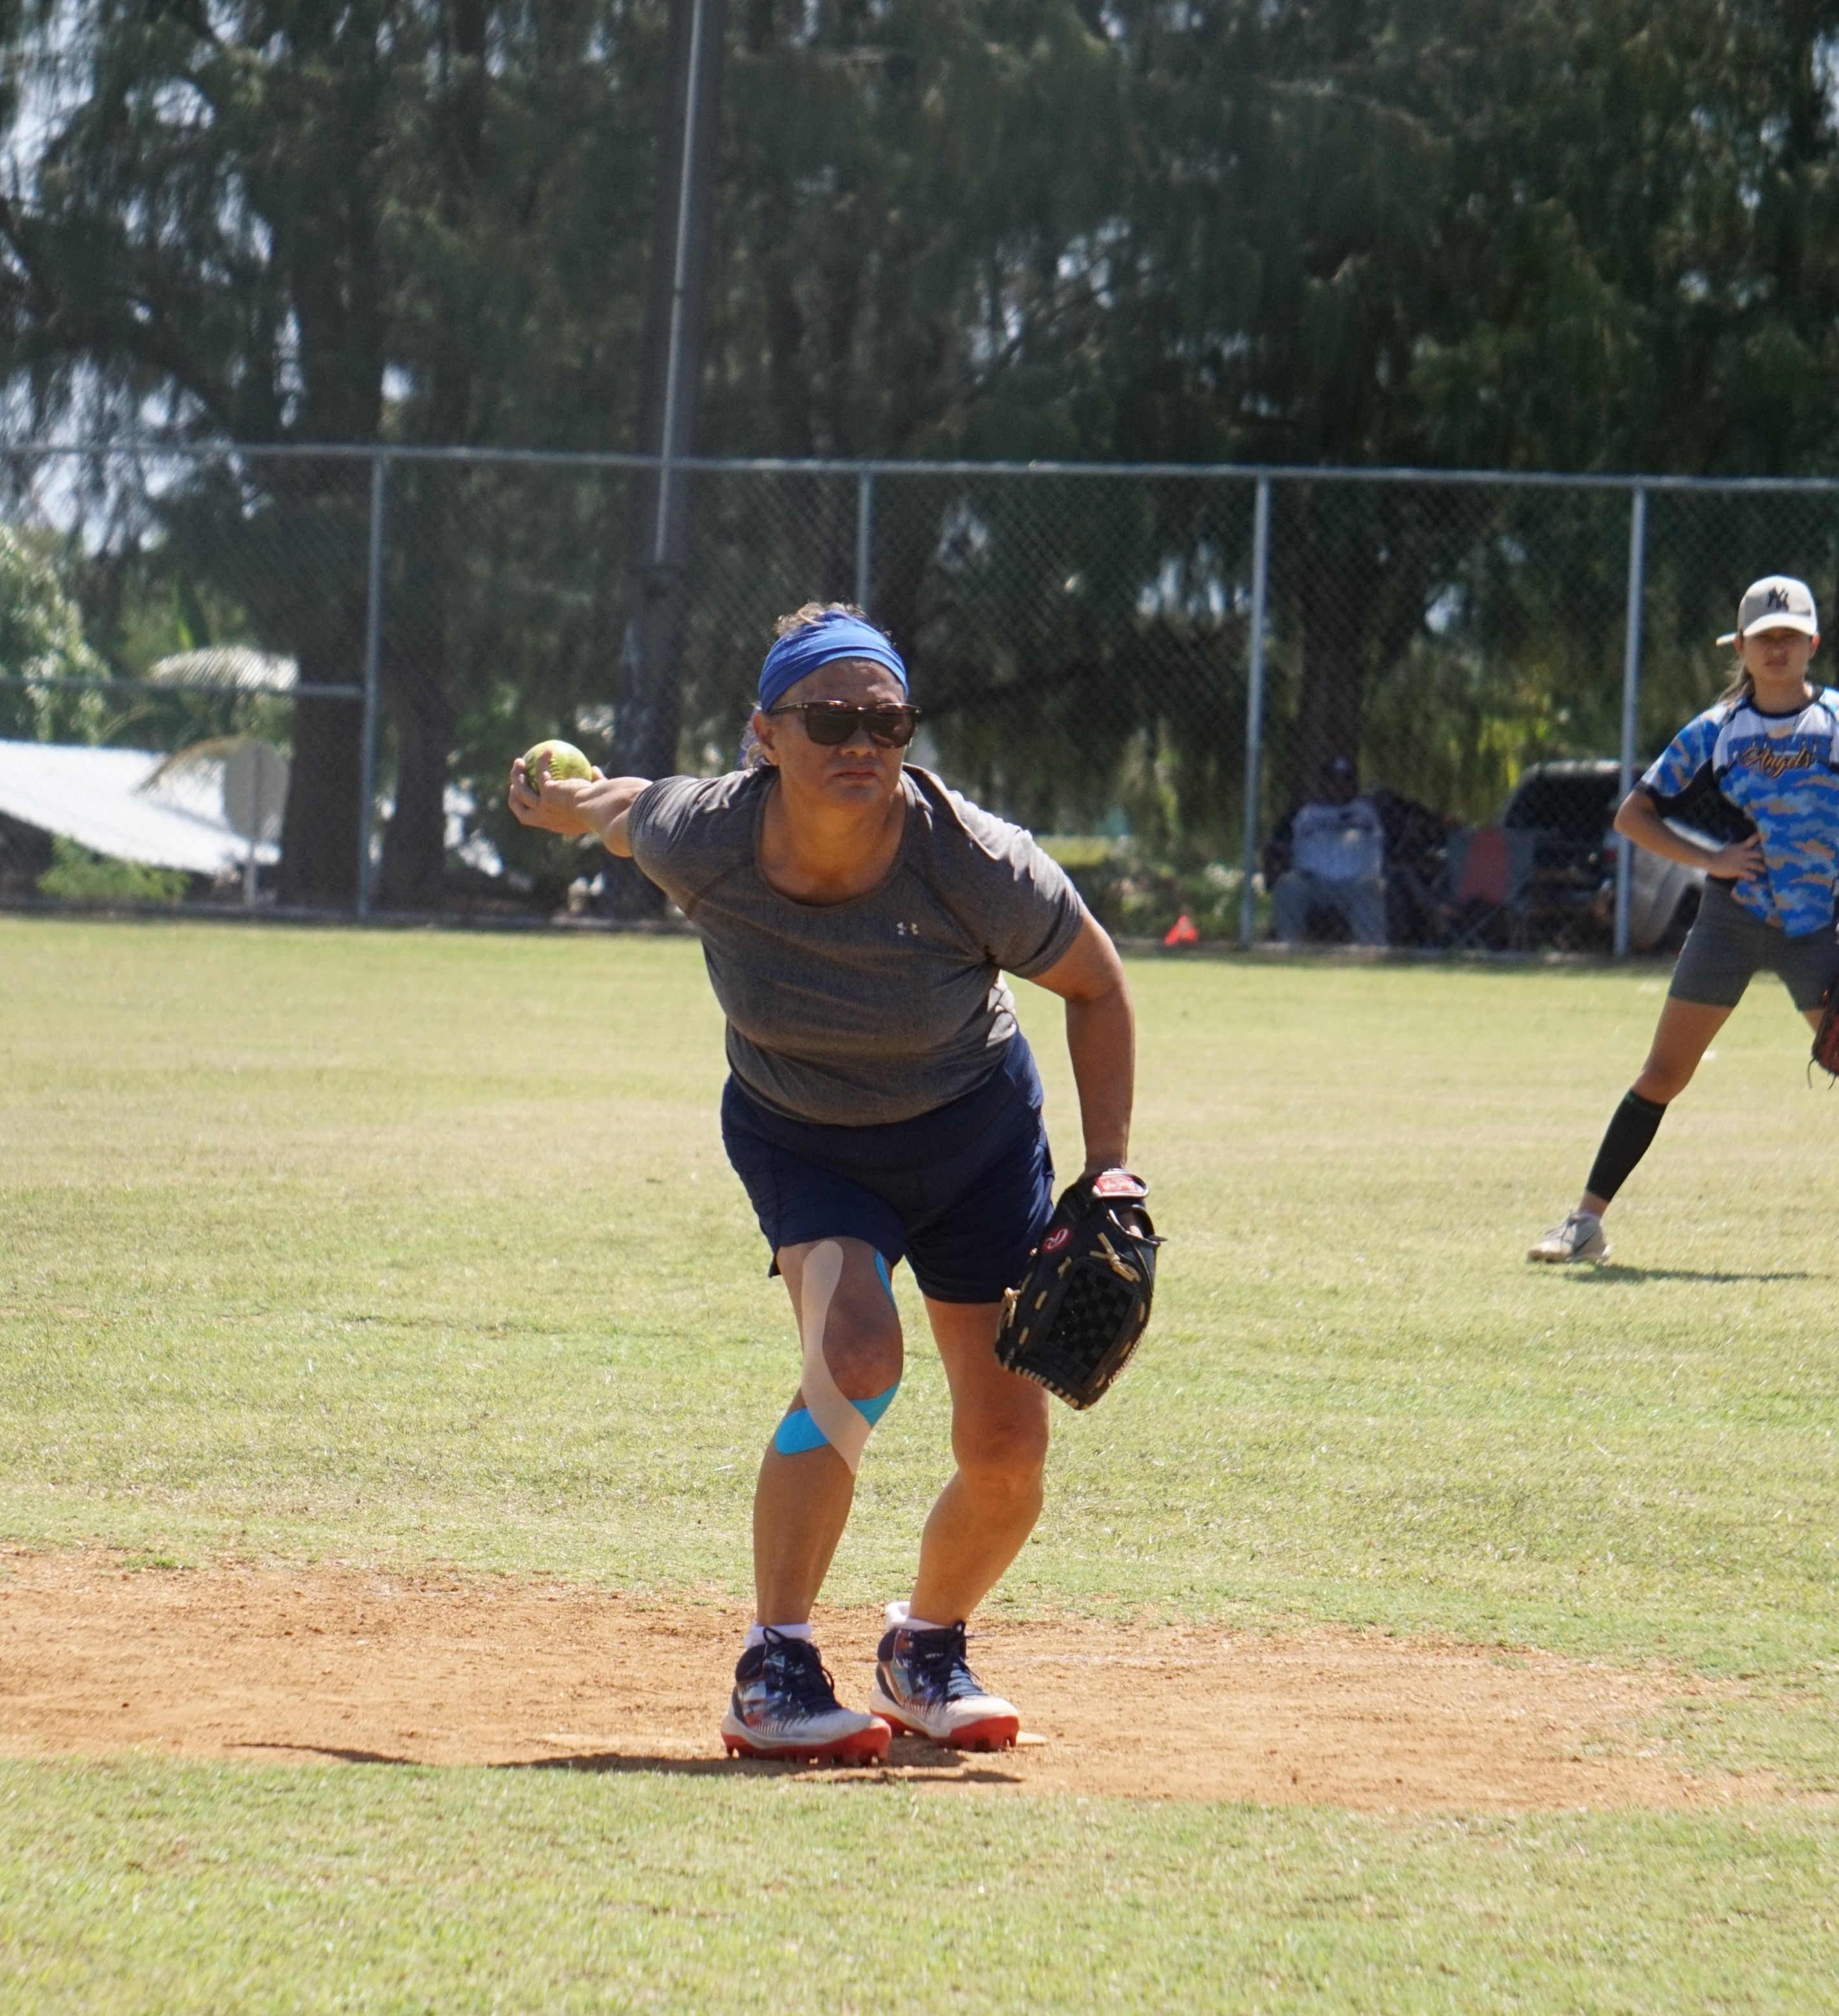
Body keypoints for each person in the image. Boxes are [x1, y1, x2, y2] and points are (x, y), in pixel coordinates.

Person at [508, 605, 1140, 1763]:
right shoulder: (706, 835)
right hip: (804, 1135)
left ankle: (926, 1649)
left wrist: (1107, 1175)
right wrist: (554, 800)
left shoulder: (975, 861)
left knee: (1006, 1449)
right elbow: (616, 807)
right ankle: (776, 1664)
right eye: (830, 718)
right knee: (854, 1354)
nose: (861, 741)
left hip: (973, 1136)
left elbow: (1097, 985)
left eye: (885, 719)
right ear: (765, 734)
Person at [1528, 575, 1839, 1280]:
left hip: (1813, 929)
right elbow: (1633, 814)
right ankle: (1586, 1223)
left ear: (1813, 643)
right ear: (1743, 647)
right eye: (1765, 638)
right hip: (1730, 922)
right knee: (1663, 1073)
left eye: (1790, 635)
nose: (1778, 648)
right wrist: (1711, 859)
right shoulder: (1717, 728)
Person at [1271, 754, 1388, 945]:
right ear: (1324, 783)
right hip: (1312, 882)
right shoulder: (1304, 813)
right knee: (1288, 885)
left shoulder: (1369, 811)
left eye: (1346, 779)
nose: (1339, 785)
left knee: (1371, 889)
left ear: (1354, 784)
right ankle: (1289, 948)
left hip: (1358, 884)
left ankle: (1371, 953)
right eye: (1333, 779)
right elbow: (1275, 847)